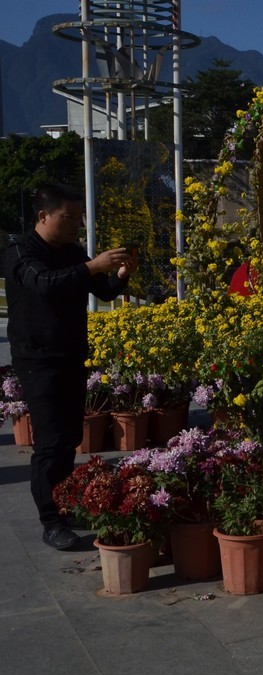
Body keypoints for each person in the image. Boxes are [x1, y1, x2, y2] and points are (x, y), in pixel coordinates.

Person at [2, 183, 137, 550]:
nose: (77, 224)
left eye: (80, 217)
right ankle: (50, 520)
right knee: (50, 442)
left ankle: (65, 503)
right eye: (70, 217)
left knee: (69, 439)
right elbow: (43, 284)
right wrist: (92, 265)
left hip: (71, 356)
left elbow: (103, 291)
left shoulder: (72, 251)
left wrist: (121, 274)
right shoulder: (20, 251)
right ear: (44, 216)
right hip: (37, 360)